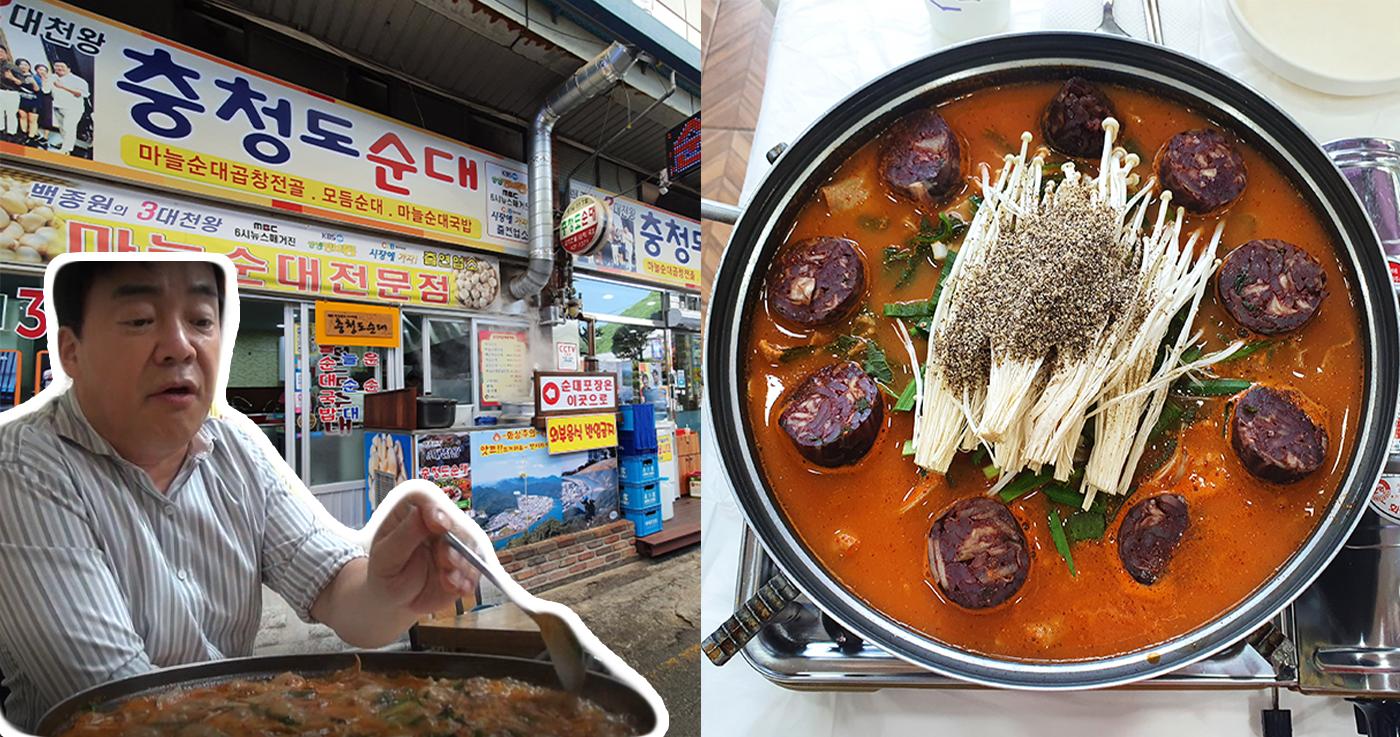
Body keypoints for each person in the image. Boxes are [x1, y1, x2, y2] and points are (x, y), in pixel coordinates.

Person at [0, 260, 479, 731]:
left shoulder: (236, 448)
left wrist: (394, 589)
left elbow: (340, 593)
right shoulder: (22, 468)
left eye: (201, 320)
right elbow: (123, 707)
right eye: (140, 320)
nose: (179, 347)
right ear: (71, 352)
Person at [48, 61, 88, 155]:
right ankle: (65, 148)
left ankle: (67, 149)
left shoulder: (78, 80)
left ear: (68, 68)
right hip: (57, 105)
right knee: (62, 128)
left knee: (68, 127)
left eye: (62, 66)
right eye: (57, 66)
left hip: (73, 108)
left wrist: (63, 87)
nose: (59, 68)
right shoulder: (52, 77)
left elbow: (80, 94)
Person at [14, 59, 39, 146]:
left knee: (32, 119)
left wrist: (33, 82)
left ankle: (31, 137)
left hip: (33, 100)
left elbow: (37, 89)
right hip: (21, 99)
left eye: (25, 64)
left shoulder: (35, 77)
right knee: (22, 116)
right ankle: (23, 135)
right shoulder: (17, 76)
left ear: (29, 66)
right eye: (21, 65)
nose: (23, 66)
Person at [0, 48, 22, 141]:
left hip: (11, 93)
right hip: (0, 91)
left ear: (6, 54)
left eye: (1, 52)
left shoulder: (12, 67)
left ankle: (11, 134)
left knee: (11, 114)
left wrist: (11, 77)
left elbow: (21, 82)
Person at [33, 64, 53, 143]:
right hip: (35, 98)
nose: (42, 71)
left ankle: (45, 136)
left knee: (47, 117)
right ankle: (35, 133)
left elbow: (47, 90)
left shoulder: (50, 79)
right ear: (36, 70)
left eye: (44, 70)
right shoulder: (33, 77)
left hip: (46, 99)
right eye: (40, 69)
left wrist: (44, 81)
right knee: (35, 116)